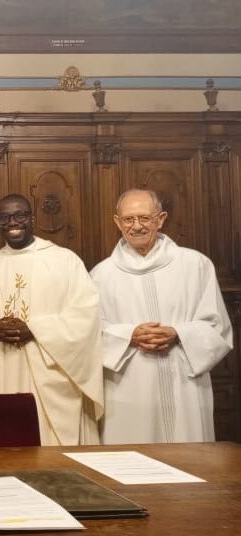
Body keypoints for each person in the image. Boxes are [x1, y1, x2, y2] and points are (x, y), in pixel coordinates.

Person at [93, 189, 233, 444]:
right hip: (129, 386)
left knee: (189, 456)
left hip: (185, 383)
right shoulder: (101, 275)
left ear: (161, 219)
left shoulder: (195, 265)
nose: (137, 226)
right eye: (128, 219)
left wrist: (178, 334)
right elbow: (90, 333)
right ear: (117, 222)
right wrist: (129, 335)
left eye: (145, 218)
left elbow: (217, 326)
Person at [0, 195, 103, 446]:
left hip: (52, 369)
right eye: (4, 217)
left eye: (19, 215)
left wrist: (35, 329)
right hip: (4, 368)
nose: (12, 222)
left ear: (32, 218)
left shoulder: (65, 261)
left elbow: (86, 316)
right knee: (7, 440)